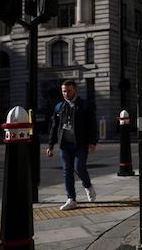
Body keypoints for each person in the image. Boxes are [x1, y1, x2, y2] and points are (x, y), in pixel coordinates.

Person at [46, 80, 98, 210]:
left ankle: (87, 185)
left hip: (80, 143)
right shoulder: (59, 107)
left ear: (75, 90)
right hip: (65, 145)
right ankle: (71, 199)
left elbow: (92, 125)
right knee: (67, 171)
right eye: (64, 91)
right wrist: (51, 145)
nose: (66, 93)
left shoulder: (85, 105)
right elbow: (54, 127)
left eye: (69, 90)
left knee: (79, 167)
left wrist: (93, 142)